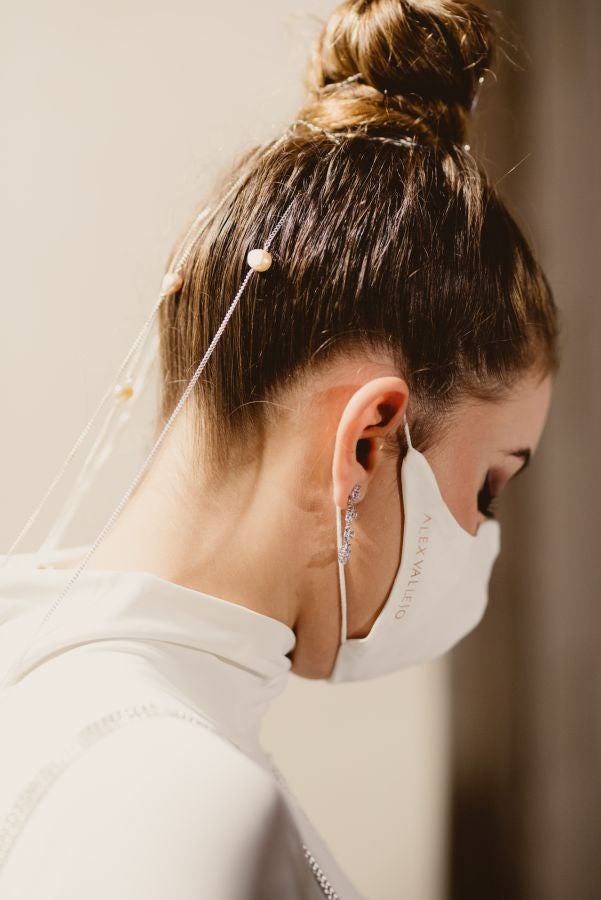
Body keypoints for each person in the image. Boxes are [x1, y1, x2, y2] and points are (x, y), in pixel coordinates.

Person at [0, 0, 561, 897]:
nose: (483, 536)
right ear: (369, 444)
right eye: (488, 488)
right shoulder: (173, 798)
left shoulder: (60, 694)